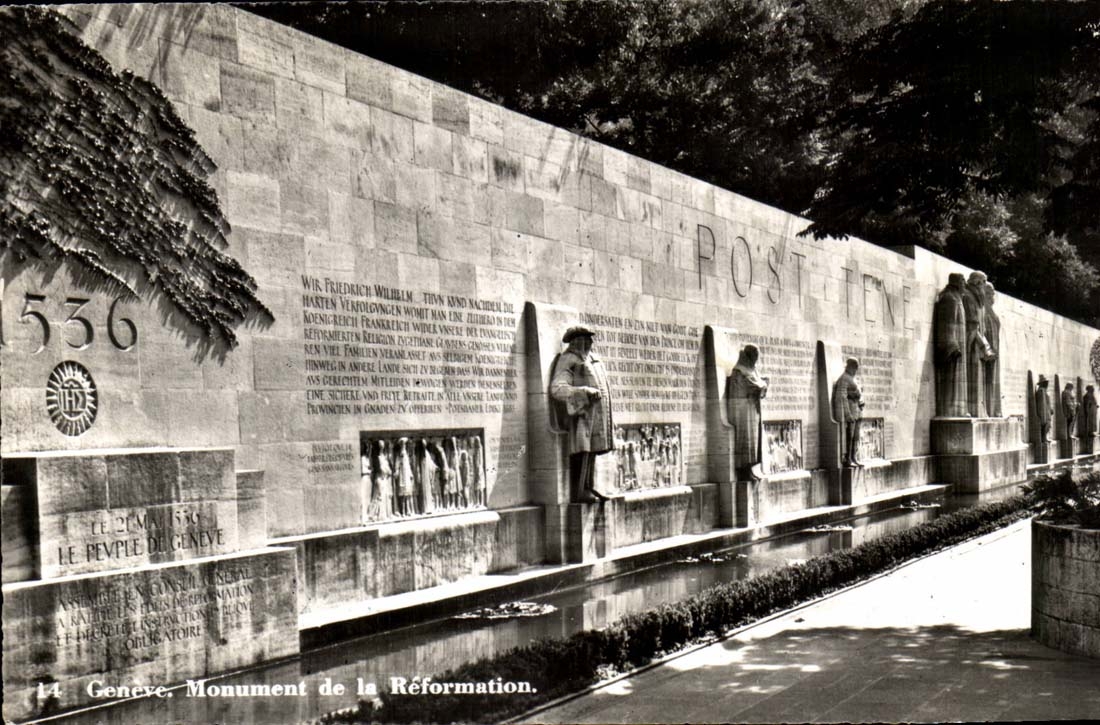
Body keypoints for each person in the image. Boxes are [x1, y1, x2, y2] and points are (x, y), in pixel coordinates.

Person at [549, 324, 614, 503]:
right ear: (576, 341)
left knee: (591, 451)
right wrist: (583, 392)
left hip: (597, 417)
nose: (589, 342)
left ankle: (588, 486)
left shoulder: (593, 359)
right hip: (582, 416)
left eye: (590, 339)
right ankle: (579, 490)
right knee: (582, 450)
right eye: (585, 339)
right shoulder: (569, 359)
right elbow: (557, 388)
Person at [726, 344, 769, 480]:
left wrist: (763, 384)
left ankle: (751, 468)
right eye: (755, 356)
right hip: (743, 413)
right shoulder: (739, 371)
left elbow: (758, 384)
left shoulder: (751, 369)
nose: (756, 360)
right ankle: (745, 470)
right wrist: (762, 385)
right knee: (746, 441)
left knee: (754, 440)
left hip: (752, 410)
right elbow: (751, 385)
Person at [933, 274, 969, 416]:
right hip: (952, 351)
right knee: (951, 382)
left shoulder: (956, 298)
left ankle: (958, 410)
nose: (965, 284)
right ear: (955, 283)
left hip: (958, 348)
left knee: (957, 383)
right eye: (962, 281)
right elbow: (946, 325)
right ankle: (951, 411)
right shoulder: (950, 299)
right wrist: (952, 346)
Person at [832, 358, 865, 467]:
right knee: (849, 436)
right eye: (854, 368)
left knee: (856, 436)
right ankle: (848, 459)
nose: (856, 371)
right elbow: (842, 397)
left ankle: (854, 457)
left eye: (856, 368)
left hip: (856, 411)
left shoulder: (852, 379)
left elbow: (859, 393)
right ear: (849, 367)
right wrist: (847, 414)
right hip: (850, 412)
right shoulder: (844, 379)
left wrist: (861, 401)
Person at [1036, 375, 1052, 444]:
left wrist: (1050, 409)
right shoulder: (1041, 391)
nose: (1047, 384)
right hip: (1044, 411)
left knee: (1048, 425)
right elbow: (1042, 403)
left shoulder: (1044, 391)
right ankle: (1043, 439)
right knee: (1044, 425)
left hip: (1047, 411)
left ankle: (1045, 438)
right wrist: (1043, 413)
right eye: (1045, 382)